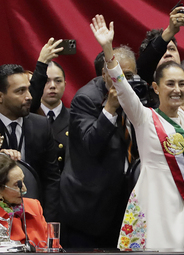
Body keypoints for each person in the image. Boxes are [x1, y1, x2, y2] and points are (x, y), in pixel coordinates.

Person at [90, 13, 184, 250]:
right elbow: (121, 86)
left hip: (183, 209)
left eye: (181, 84)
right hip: (152, 207)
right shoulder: (143, 116)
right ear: (156, 88)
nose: (177, 89)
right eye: (170, 84)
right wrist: (108, 48)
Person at [60, 45, 138, 248]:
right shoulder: (86, 99)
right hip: (88, 208)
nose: (123, 82)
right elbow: (91, 145)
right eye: (117, 75)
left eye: (128, 75)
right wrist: (110, 108)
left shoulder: (136, 94)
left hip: (122, 204)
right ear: (104, 74)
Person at [0, 64, 60, 222]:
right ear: (1, 96)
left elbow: (51, 179)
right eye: (20, 91)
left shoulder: (41, 125)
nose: (29, 96)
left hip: (35, 216)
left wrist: (47, 221)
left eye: (28, 89)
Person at [0, 153, 48, 247]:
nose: (24, 189)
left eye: (23, 181)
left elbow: (54, 248)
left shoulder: (34, 207)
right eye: (17, 185)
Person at [35, 61, 69, 172]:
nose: (53, 86)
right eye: (46, 81)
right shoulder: (29, 117)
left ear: (65, 84)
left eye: (58, 81)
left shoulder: (76, 117)